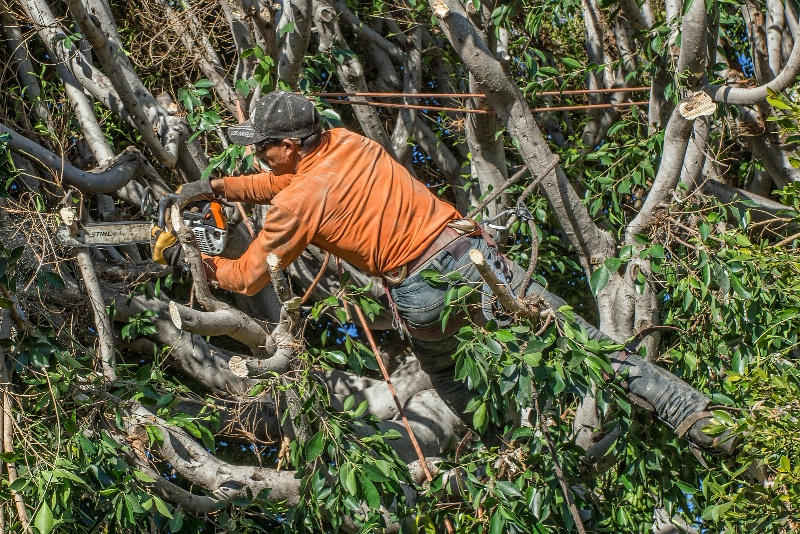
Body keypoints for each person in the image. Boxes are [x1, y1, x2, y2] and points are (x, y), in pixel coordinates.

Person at [157, 90, 735, 454]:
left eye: (262, 149)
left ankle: (506, 448)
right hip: (466, 255)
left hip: (421, 295)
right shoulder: (348, 144)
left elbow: (249, 278)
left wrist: (199, 258)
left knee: (449, 377)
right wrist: (215, 187)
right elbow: (280, 182)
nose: (258, 158)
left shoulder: (295, 206)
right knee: (579, 343)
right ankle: (694, 414)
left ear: (289, 144)